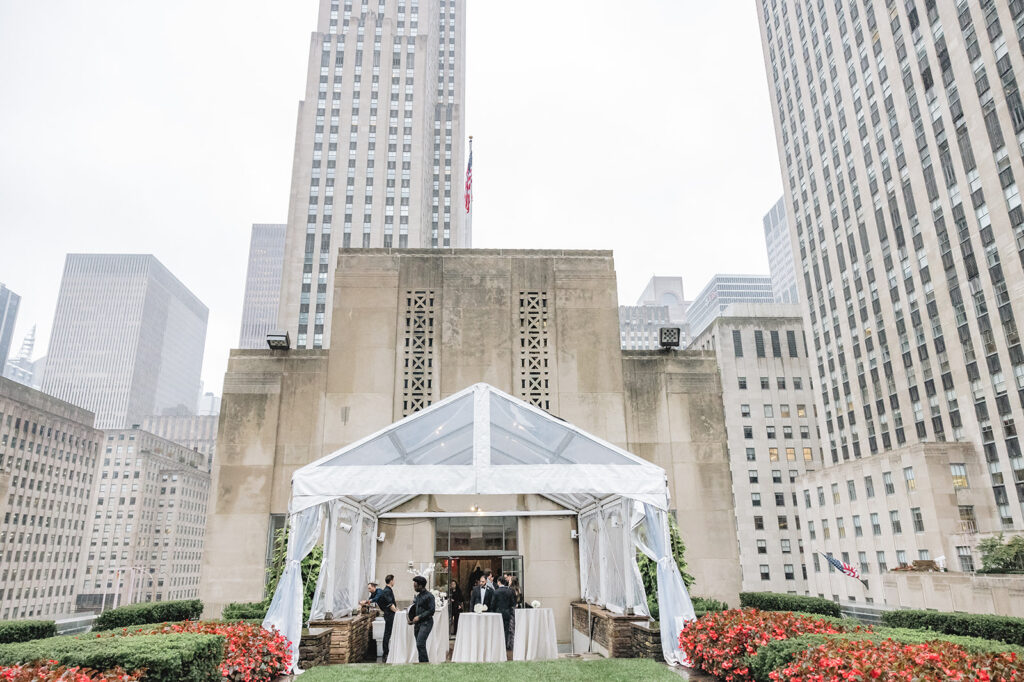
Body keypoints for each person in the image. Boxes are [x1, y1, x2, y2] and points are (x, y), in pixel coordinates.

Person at [409, 575, 436, 663]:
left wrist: (420, 617)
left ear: (421, 586)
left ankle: (425, 664)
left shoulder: (430, 596)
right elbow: (414, 609)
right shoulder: (418, 596)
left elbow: (431, 610)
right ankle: (422, 663)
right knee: (419, 645)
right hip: (417, 624)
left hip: (426, 622)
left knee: (420, 643)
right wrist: (411, 620)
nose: (414, 587)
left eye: (415, 586)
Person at [491, 576, 516, 650]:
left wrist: (492, 611)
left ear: (499, 582)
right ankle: (505, 644)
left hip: (498, 613)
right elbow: (513, 603)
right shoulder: (510, 591)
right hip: (507, 612)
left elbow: (493, 604)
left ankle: (499, 645)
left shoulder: (496, 591)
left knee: (498, 629)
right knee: (506, 629)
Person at [378, 574, 398, 662]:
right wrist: (397, 611)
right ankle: (386, 652)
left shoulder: (387, 590)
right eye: (394, 580)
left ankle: (387, 651)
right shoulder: (387, 591)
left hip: (389, 614)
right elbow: (390, 604)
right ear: (391, 581)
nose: (394, 582)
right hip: (389, 615)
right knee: (387, 633)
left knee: (388, 633)